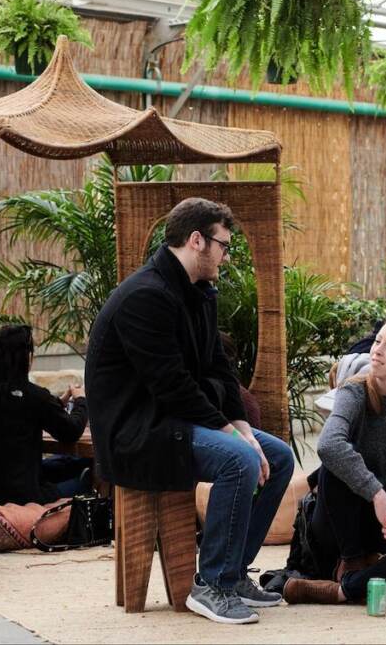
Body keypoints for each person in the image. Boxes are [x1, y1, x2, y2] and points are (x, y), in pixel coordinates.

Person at [85, 197, 294, 625]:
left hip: (175, 421)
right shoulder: (145, 296)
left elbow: (219, 367)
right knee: (238, 459)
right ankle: (211, 585)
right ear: (196, 240)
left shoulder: (198, 292)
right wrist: (235, 439)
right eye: (223, 246)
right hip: (139, 432)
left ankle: (233, 575)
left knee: (277, 455)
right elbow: (172, 386)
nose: (226, 256)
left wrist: (244, 429)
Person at [283, 315, 386, 604]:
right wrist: (376, 493)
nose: (377, 350)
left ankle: (345, 589)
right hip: (337, 521)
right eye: (378, 341)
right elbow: (329, 445)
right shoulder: (354, 391)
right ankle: (352, 560)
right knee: (333, 467)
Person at [0, 325, 90, 506]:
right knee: (87, 473)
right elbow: (71, 432)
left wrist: (58, 402)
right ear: (26, 357)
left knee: (65, 462)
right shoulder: (34, 397)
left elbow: (20, 408)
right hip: (23, 498)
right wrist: (81, 401)